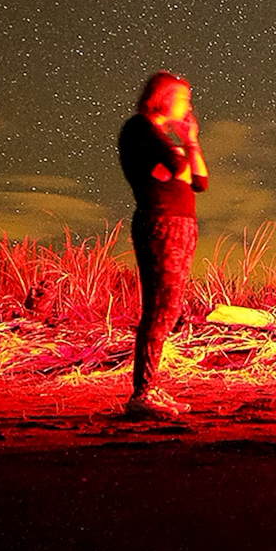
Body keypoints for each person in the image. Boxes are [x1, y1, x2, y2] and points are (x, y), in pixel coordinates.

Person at [117, 71, 208, 420]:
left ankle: (149, 387)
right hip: (162, 224)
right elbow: (178, 168)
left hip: (180, 223)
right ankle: (142, 393)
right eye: (182, 98)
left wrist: (190, 141)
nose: (187, 106)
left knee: (168, 307)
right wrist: (179, 158)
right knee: (160, 308)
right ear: (163, 97)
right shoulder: (140, 129)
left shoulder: (159, 136)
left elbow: (197, 179)